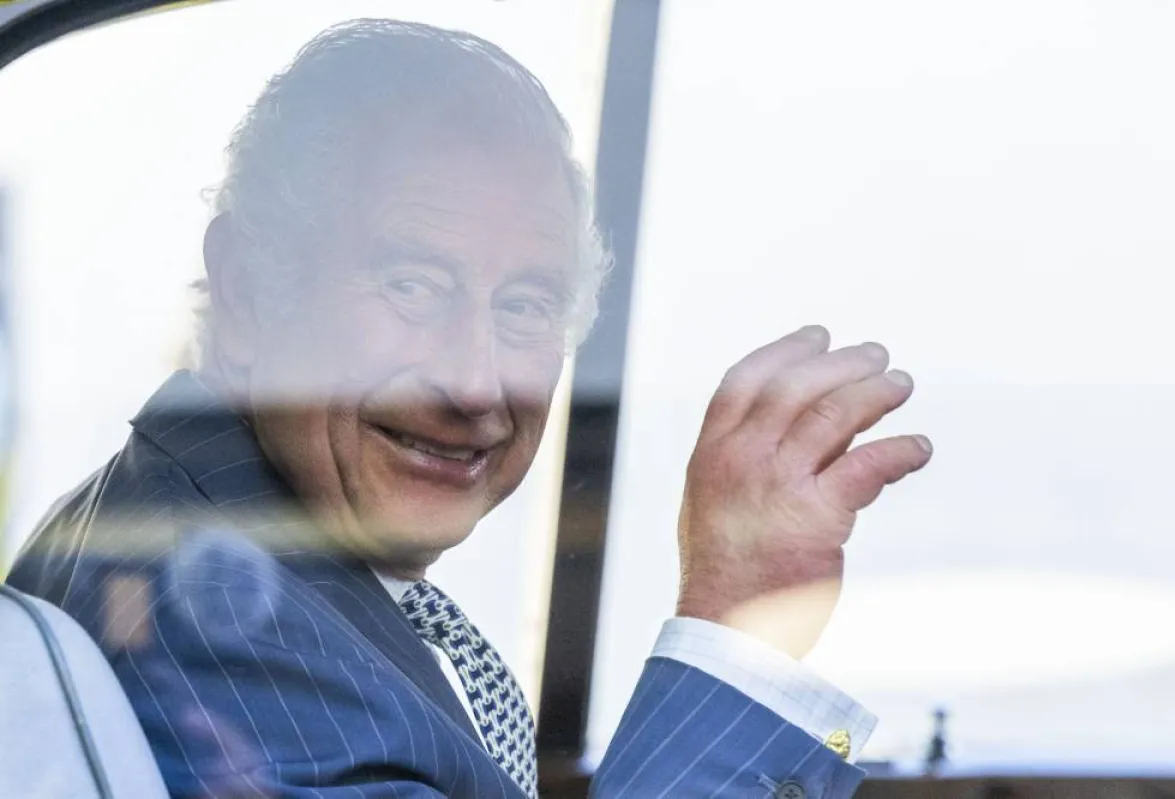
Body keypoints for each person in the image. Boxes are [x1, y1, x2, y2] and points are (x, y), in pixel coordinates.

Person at [6, 18, 932, 799]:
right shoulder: (229, 629)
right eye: (413, 285)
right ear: (249, 288)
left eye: (526, 305)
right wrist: (738, 627)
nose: (479, 384)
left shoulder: (178, 519)